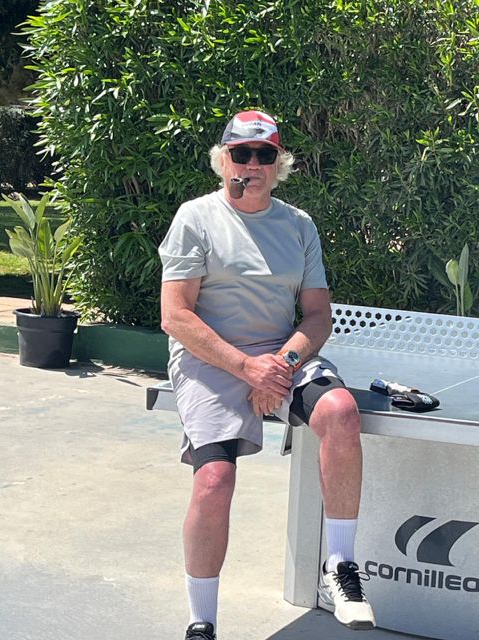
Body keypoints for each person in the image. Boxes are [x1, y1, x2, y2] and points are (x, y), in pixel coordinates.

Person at [159, 110, 376, 639]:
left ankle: (341, 567)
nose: (252, 165)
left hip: (281, 358)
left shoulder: (299, 225)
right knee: (215, 480)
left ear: (279, 165)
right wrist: (245, 368)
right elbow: (176, 316)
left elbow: (318, 316)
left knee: (341, 412)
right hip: (210, 359)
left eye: (265, 155)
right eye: (242, 154)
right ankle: (202, 622)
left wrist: (281, 366)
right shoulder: (195, 218)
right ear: (224, 161)